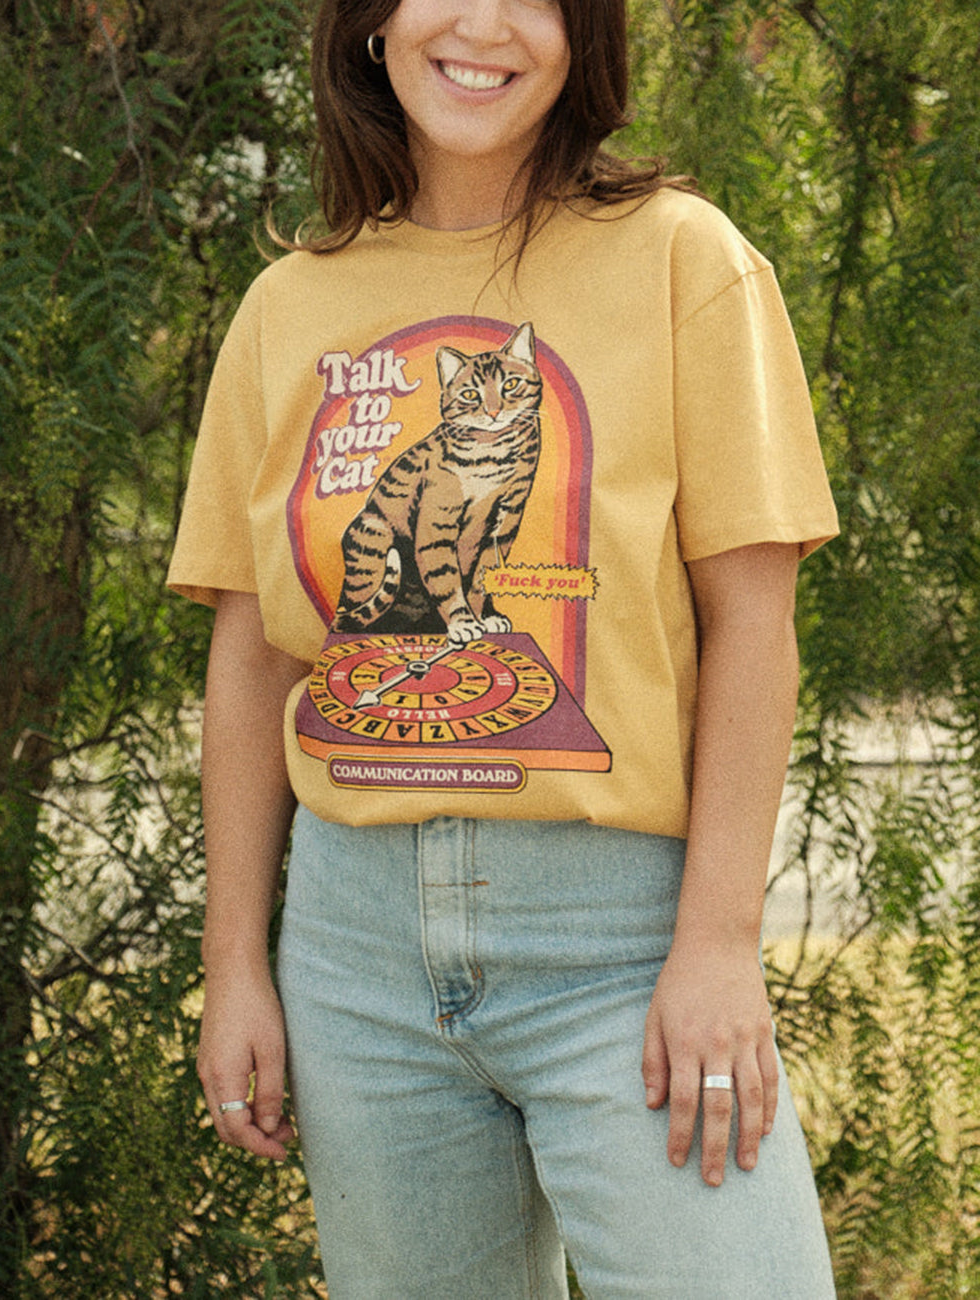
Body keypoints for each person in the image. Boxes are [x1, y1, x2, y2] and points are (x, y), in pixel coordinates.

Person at [168, 1, 840, 1295]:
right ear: (373, 22)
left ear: (583, 33)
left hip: (624, 945)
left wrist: (717, 943)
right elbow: (253, 659)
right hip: (355, 963)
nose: (483, 24)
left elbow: (755, 626)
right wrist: (235, 961)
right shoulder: (288, 306)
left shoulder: (684, 259)